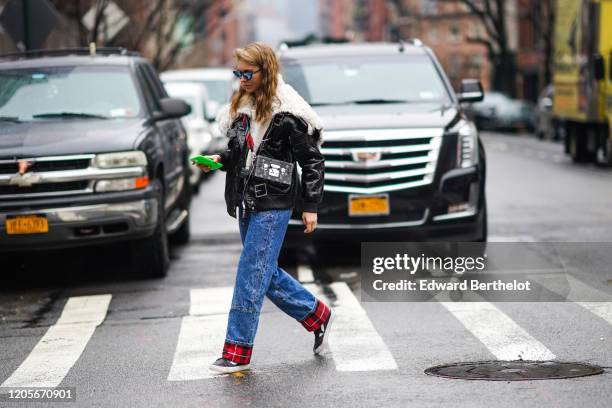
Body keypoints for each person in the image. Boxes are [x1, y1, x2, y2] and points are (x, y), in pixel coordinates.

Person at [194, 42, 335, 374]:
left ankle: (236, 351)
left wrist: (310, 205)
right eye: (237, 72)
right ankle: (317, 315)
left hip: (274, 202)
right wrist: (217, 161)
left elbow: (312, 161)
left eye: (247, 72)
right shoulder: (240, 109)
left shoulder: (288, 112)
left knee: (251, 273)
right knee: (264, 273)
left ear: (265, 71)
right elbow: (239, 156)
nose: (241, 79)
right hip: (245, 201)